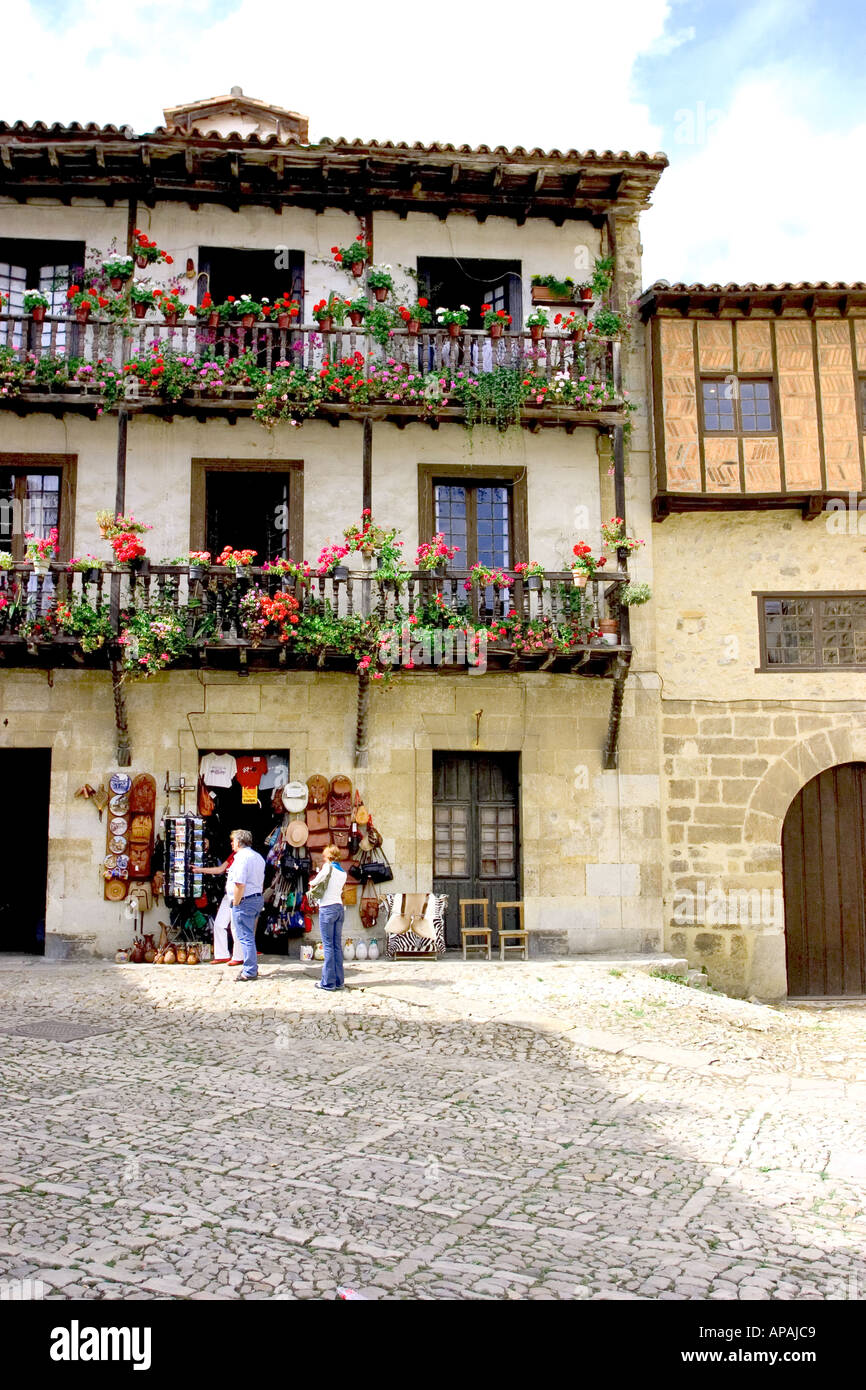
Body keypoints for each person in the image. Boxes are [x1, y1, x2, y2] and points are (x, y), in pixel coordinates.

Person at [226, 829, 265, 982]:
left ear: (239, 842)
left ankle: (249, 970)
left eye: (233, 840)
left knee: (245, 936)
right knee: (249, 934)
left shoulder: (242, 858)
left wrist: (235, 903)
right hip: (256, 898)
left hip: (244, 900)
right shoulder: (258, 857)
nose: (231, 843)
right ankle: (251, 966)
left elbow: (240, 884)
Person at [309, 845, 347, 991]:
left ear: (328, 856)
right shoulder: (342, 872)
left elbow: (314, 882)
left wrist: (312, 884)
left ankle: (328, 982)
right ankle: (339, 981)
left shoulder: (327, 868)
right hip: (339, 907)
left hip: (327, 908)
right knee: (337, 946)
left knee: (328, 946)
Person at [201, 843, 236, 964]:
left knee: (236, 928)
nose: (231, 843)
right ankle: (222, 955)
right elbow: (220, 869)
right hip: (229, 894)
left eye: (233, 841)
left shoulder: (247, 857)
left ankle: (238, 956)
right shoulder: (233, 855)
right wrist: (199, 870)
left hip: (240, 895)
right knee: (219, 924)